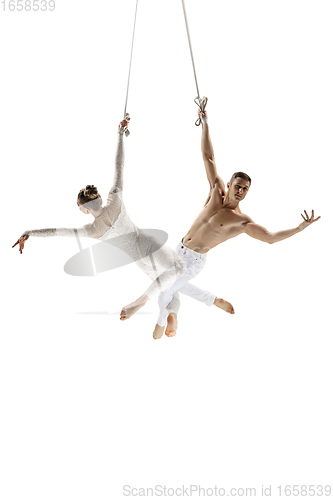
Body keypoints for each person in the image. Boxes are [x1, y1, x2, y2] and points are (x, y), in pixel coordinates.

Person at [121, 109, 321, 339]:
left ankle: (153, 314)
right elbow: (208, 157)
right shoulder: (216, 190)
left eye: (245, 189)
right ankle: (206, 302)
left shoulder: (241, 220)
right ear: (229, 183)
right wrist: (205, 123)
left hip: (194, 260)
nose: (241, 191)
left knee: (165, 286)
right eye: (238, 186)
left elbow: (269, 237)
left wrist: (298, 229)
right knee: (171, 285)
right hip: (180, 249)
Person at [12, 119, 187, 312]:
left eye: (78, 206)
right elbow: (119, 165)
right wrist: (120, 134)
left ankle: (144, 304)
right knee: (175, 276)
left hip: (138, 258)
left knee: (173, 277)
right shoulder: (115, 199)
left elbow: (58, 232)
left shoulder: (92, 230)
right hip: (146, 243)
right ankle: (168, 317)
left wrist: (30, 232)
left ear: (86, 209)